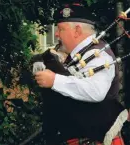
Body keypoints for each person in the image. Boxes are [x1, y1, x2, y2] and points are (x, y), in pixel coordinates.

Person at [34, 3, 127, 145]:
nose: (57, 34)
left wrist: (54, 81)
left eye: (60, 29)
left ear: (77, 31)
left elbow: (96, 91)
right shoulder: (80, 54)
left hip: (94, 140)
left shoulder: (98, 55)